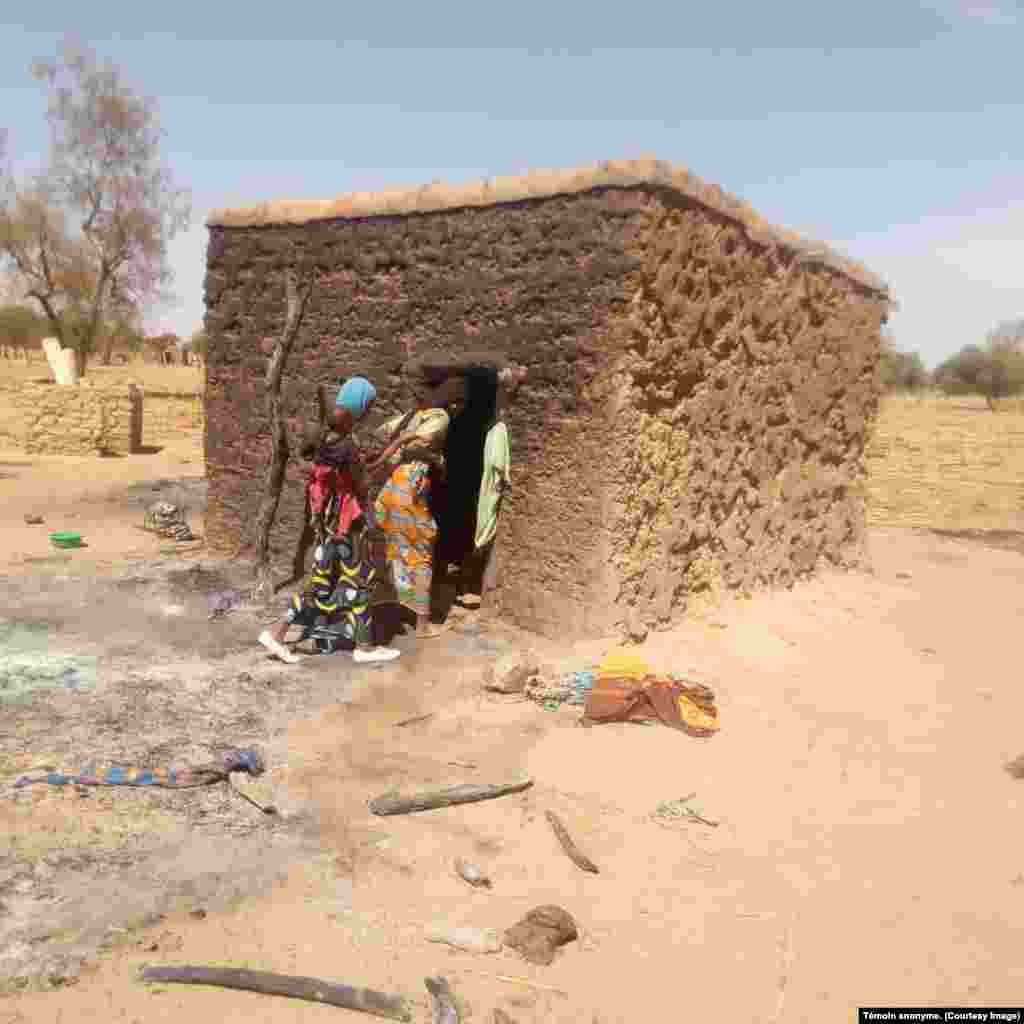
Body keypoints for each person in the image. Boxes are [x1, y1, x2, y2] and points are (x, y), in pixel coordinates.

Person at [258, 377, 400, 665]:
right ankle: (364, 647)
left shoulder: (322, 436)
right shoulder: (347, 445)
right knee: (358, 582)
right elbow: (361, 483)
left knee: (318, 584)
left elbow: (329, 466)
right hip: (348, 527)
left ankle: (278, 633)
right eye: (368, 406)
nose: (369, 412)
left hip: (328, 525)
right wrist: (394, 449)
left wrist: (360, 461)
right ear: (359, 407)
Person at [367, 377, 467, 639]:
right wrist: (430, 456)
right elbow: (415, 439)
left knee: (393, 548)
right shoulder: (439, 416)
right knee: (421, 549)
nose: (459, 409)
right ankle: (422, 624)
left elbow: (382, 431)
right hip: (410, 486)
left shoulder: (412, 415)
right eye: (459, 402)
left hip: (394, 486)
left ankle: (390, 609)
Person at [458, 365, 521, 610]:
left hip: (478, 487)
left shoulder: (495, 429)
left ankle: (467, 586)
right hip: (479, 487)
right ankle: (467, 587)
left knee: (477, 535)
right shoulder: (495, 430)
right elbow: (497, 464)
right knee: (478, 535)